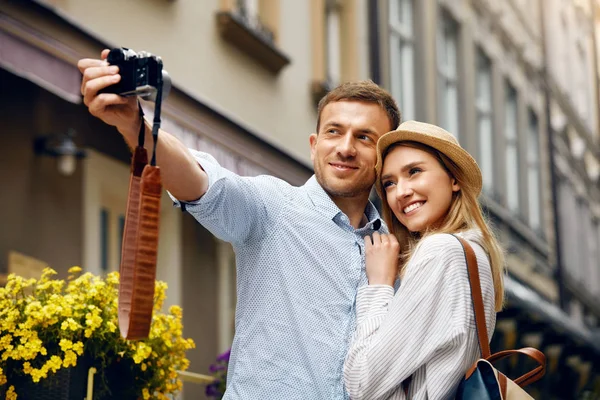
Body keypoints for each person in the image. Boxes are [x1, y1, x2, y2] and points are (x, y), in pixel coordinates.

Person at [78, 50, 400, 399]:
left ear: (384, 159)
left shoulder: (397, 250)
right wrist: (136, 127)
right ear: (314, 145)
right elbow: (200, 182)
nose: (345, 148)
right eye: (334, 132)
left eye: (364, 137)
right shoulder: (273, 207)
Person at [343, 121, 505, 400]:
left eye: (414, 172)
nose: (401, 192)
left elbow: (361, 382)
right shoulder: (473, 252)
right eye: (389, 183)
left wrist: (379, 285)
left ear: (454, 178)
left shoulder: (440, 252)